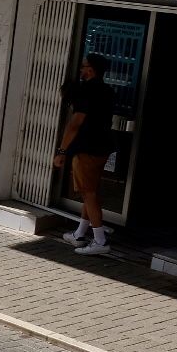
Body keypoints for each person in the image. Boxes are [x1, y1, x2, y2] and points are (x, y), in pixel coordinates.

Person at [55, 53, 116, 256]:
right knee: (88, 191)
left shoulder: (86, 92)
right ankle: (80, 234)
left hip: (86, 149)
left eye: (84, 66)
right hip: (103, 149)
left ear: (91, 69)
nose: (81, 70)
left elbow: (75, 124)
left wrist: (62, 151)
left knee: (89, 194)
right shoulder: (107, 90)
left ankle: (100, 240)